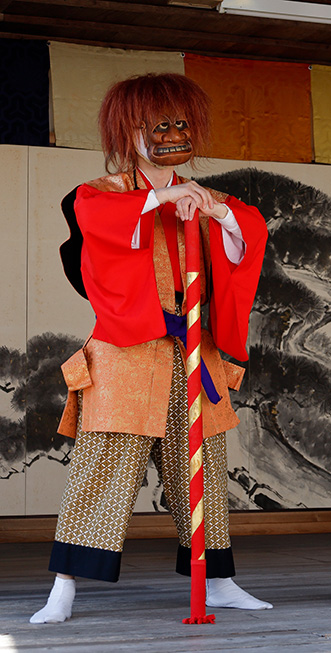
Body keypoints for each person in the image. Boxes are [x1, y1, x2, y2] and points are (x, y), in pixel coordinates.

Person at [31, 73, 270, 624]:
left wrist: (213, 211)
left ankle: (221, 581)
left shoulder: (203, 196)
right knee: (103, 467)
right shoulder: (104, 193)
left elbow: (249, 232)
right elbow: (95, 222)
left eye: (180, 122)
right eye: (155, 123)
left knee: (202, 468)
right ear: (129, 130)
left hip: (191, 349)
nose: (170, 133)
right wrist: (161, 197)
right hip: (126, 352)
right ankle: (63, 589)